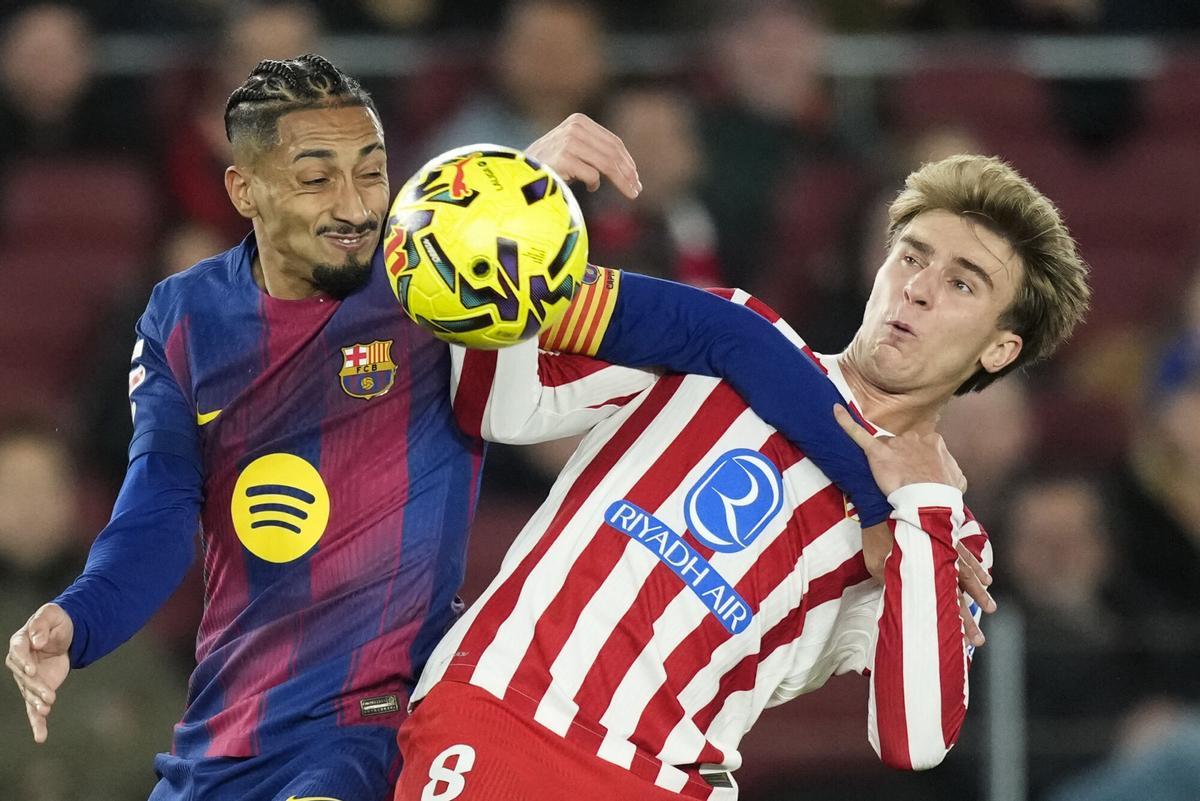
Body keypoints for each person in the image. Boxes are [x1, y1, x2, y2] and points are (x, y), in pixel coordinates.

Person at [5, 54, 899, 801]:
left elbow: (726, 331)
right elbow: (160, 506)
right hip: (226, 731)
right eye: (317, 178)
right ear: (244, 189)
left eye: (371, 170)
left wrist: (875, 498)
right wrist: (79, 621)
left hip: (371, 726)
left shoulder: (449, 276)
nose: (355, 203)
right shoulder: (183, 318)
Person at [393, 154, 1091, 800]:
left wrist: (925, 502)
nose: (918, 288)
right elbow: (500, 408)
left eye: (961, 282)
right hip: (502, 718)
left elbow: (917, 738)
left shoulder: (944, 530)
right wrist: (508, 261)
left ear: (1001, 347)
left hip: (664, 782)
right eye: (911, 256)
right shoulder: (729, 331)